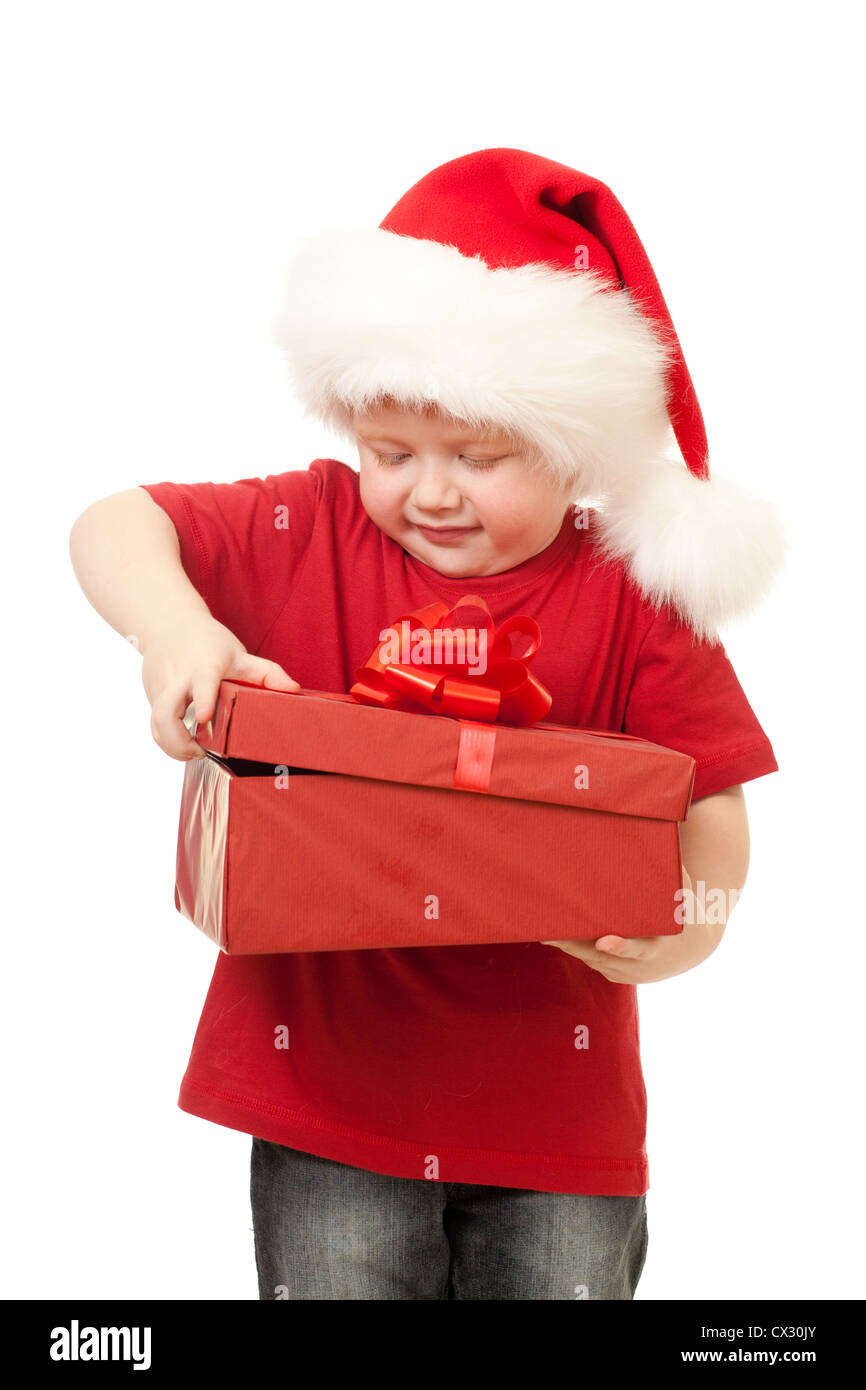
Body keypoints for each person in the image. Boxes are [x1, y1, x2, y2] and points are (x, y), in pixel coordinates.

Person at [68, 148, 784, 1301]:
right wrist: (174, 634)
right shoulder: (308, 529)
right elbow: (114, 523)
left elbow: (710, 791)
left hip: (559, 1120)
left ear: (574, 451)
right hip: (330, 1107)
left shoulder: (627, 589)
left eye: (481, 457)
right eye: (392, 454)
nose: (431, 493)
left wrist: (694, 923)